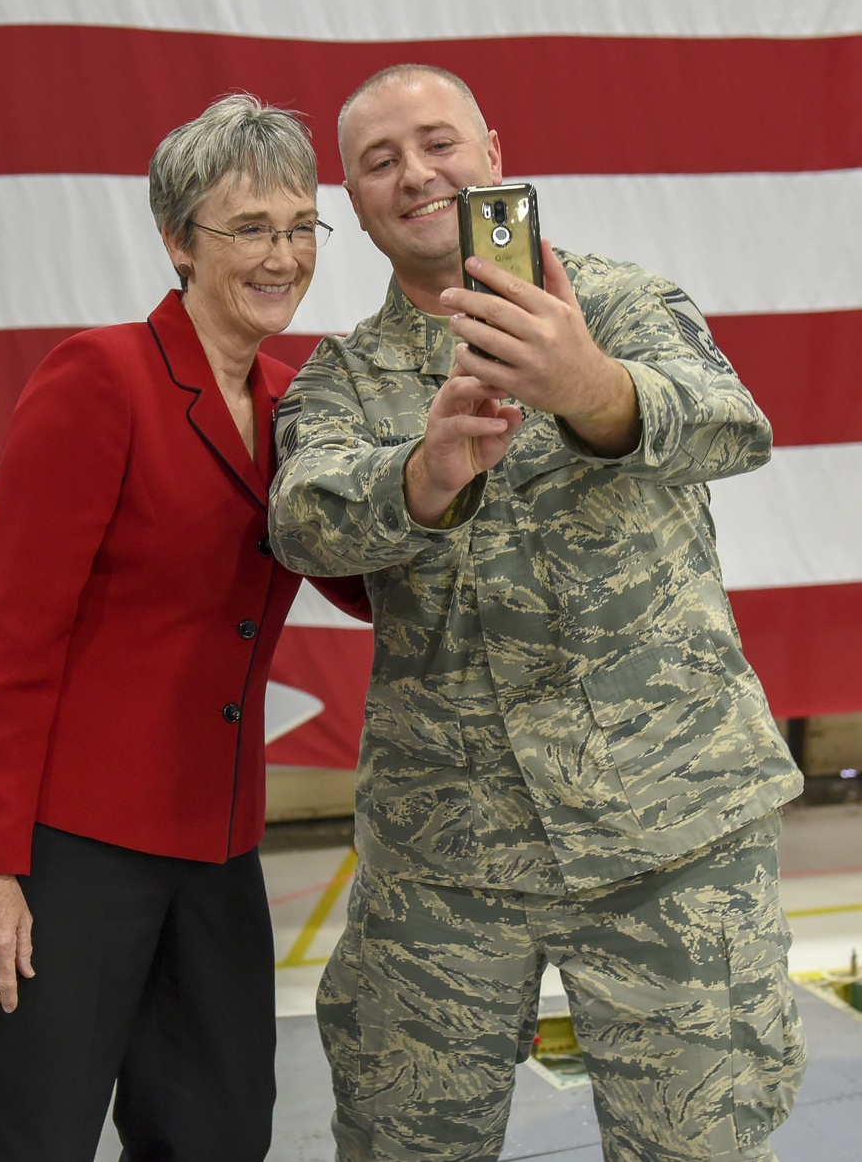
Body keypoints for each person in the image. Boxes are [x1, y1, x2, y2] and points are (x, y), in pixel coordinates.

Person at [268, 64, 806, 1162]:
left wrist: (590, 387)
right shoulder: (340, 377)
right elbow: (301, 518)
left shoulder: (612, 303)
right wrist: (420, 475)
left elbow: (731, 427)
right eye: (379, 161)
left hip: (674, 836)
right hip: (446, 863)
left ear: (493, 157)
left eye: (437, 142)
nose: (415, 172)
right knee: (400, 1146)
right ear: (357, 203)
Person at [0, 94, 368, 1162]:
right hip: (65, 850)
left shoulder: (296, 404)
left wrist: (442, 470)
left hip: (215, 846)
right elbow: (11, 639)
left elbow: (355, 581)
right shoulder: (102, 378)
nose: (282, 255)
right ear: (177, 238)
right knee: (22, 1139)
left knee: (218, 1134)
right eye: (249, 228)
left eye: (301, 225)